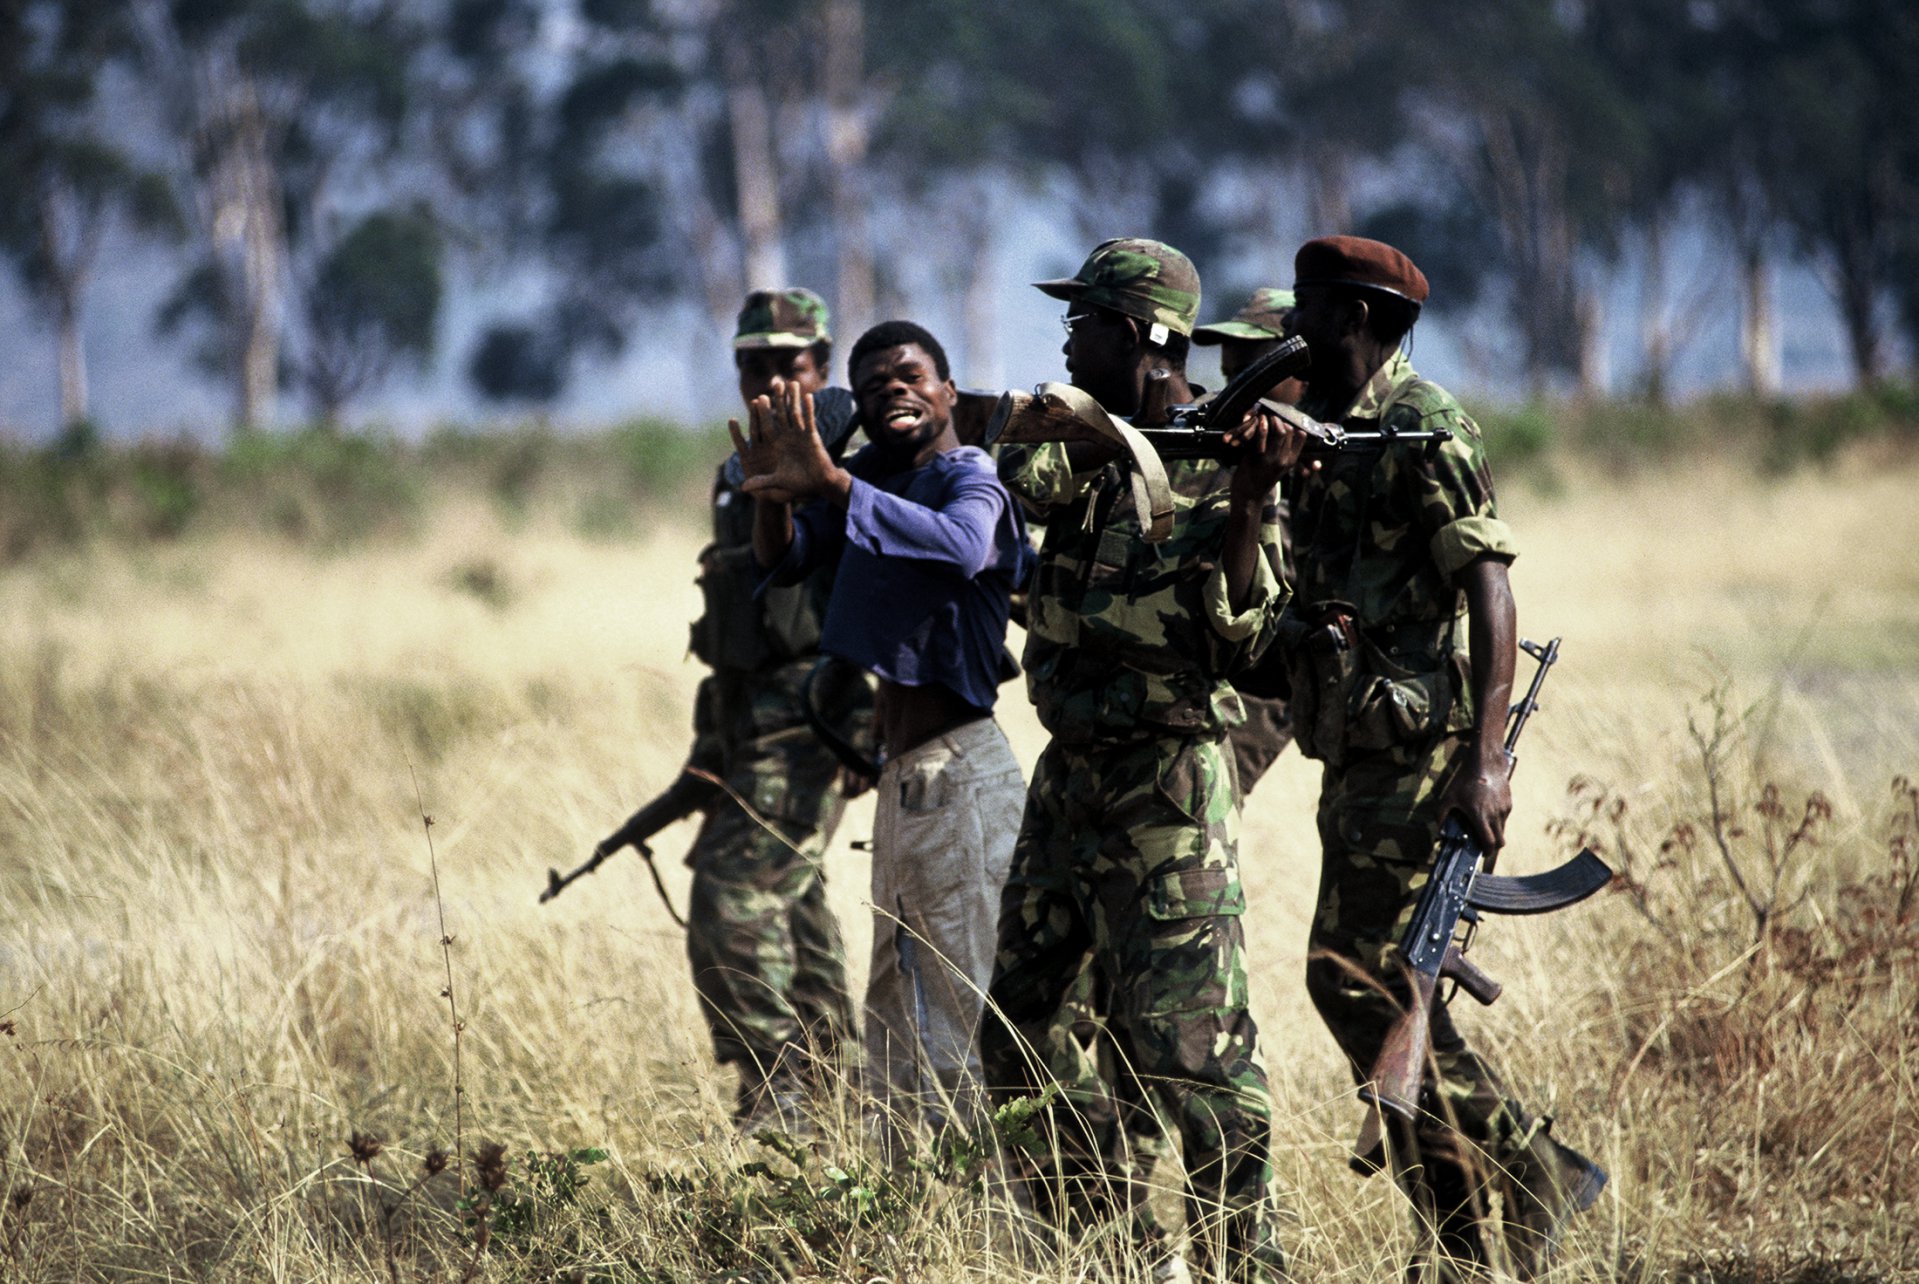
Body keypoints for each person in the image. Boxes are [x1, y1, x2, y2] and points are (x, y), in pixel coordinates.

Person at [1278, 235, 1607, 1280]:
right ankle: (1460, 1223)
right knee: (1365, 984)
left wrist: (1487, 760)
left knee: (1355, 980)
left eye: (1311, 307)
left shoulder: (1423, 425)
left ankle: (1525, 1166)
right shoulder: (1334, 429)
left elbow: (1489, 583)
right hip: (1359, 751)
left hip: (1420, 756)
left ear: (1357, 317)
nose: (1295, 323)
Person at [981, 238, 1305, 1283]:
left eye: (1081, 325)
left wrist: (1251, 496)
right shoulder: (1079, 451)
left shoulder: (1231, 463)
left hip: (1165, 787)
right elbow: (1020, 475)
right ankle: (1117, 1255)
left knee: (1193, 1057)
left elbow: (1250, 640)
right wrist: (1059, 426)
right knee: (1020, 1035)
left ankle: (1237, 1266)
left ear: (1131, 334)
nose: (1065, 342)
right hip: (1066, 775)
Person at [735, 320, 1033, 1141]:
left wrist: (829, 483)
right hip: (903, 785)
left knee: (962, 1007)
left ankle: (997, 1229)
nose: (891, 392)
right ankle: (915, 1218)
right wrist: (773, 496)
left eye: (908, 376)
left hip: (960, 774)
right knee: (895, 1012)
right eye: (871, 390)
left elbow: (967, 547)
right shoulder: (868, 476)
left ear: (946, 391)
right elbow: (784, 561)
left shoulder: (969, 475)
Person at [678, 287, 872, 1130]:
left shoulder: (848, 462)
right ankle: (837, 1093)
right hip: (746, 721)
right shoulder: (738, 467)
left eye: (787, 363)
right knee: (791, 900)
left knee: (733, 899)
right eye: (751, 363)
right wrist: (710, 742)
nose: (767, 379)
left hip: (814, 720)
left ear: (821, 368)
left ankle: (776, 1088)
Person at [1193, 288, 1308, 794]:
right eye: (1230, 379)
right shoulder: (1223, 449)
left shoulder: (1323, 459)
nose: (1232, 398)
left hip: (1263, 687)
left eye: (1254, 379)